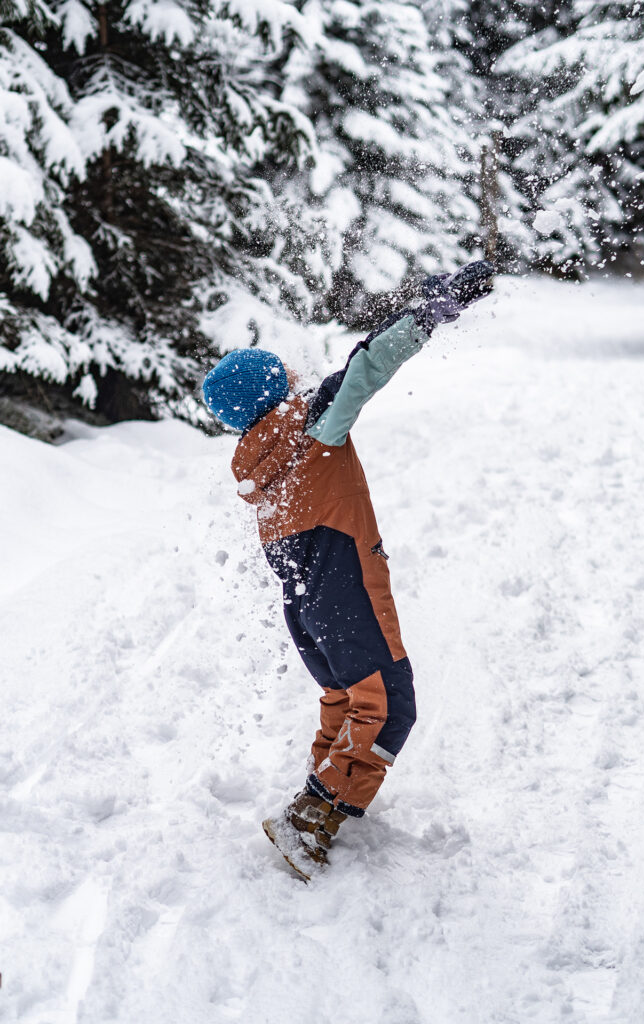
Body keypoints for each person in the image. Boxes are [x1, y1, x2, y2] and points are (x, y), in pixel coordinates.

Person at [202, 260, 494, 879]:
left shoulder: (257, 466)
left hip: (308, 613)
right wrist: (432, 311)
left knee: (345, 699)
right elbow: (369, 366)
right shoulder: (310, 425)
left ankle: (318, 789)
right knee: (390, 706)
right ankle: (313, 817)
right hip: (346, 593)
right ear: (276, 391)